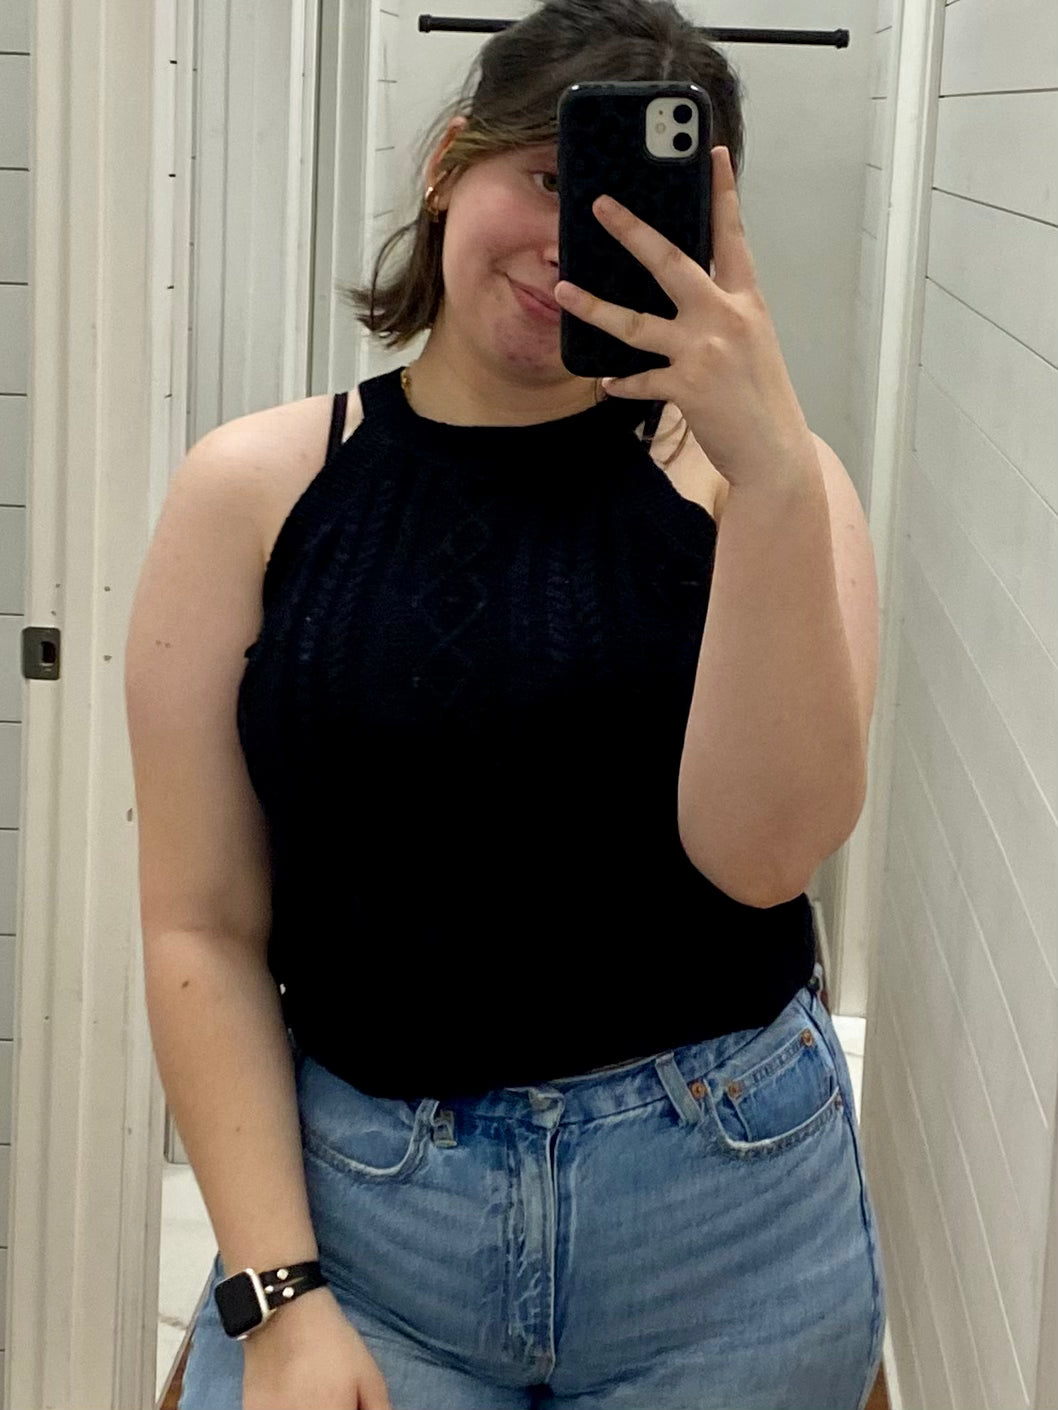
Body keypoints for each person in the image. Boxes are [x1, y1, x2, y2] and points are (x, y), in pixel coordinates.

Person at [125, 2, 884, 1407]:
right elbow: (199, 922)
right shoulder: (253, 490)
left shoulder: (768, 488)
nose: (567, 243)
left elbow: (763, 855)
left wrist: (773, 469)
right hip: (365, 1222)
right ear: (447, 168)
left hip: (726, 1229)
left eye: (639, 209)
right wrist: (277, 1298)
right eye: (546, 177)